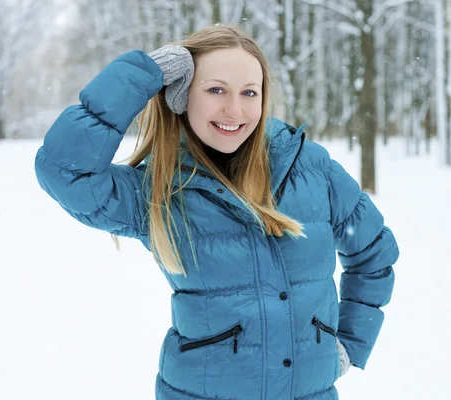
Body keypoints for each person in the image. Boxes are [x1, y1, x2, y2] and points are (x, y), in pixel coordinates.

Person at [34, 25, 399, 400]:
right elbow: (65, 170)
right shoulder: (157, 190)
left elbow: (375, 256)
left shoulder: (310, 169)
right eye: (215, 90)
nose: (234, 110)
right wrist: (146, 74)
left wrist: (351, 344)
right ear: (181, 96)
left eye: (249, 93)